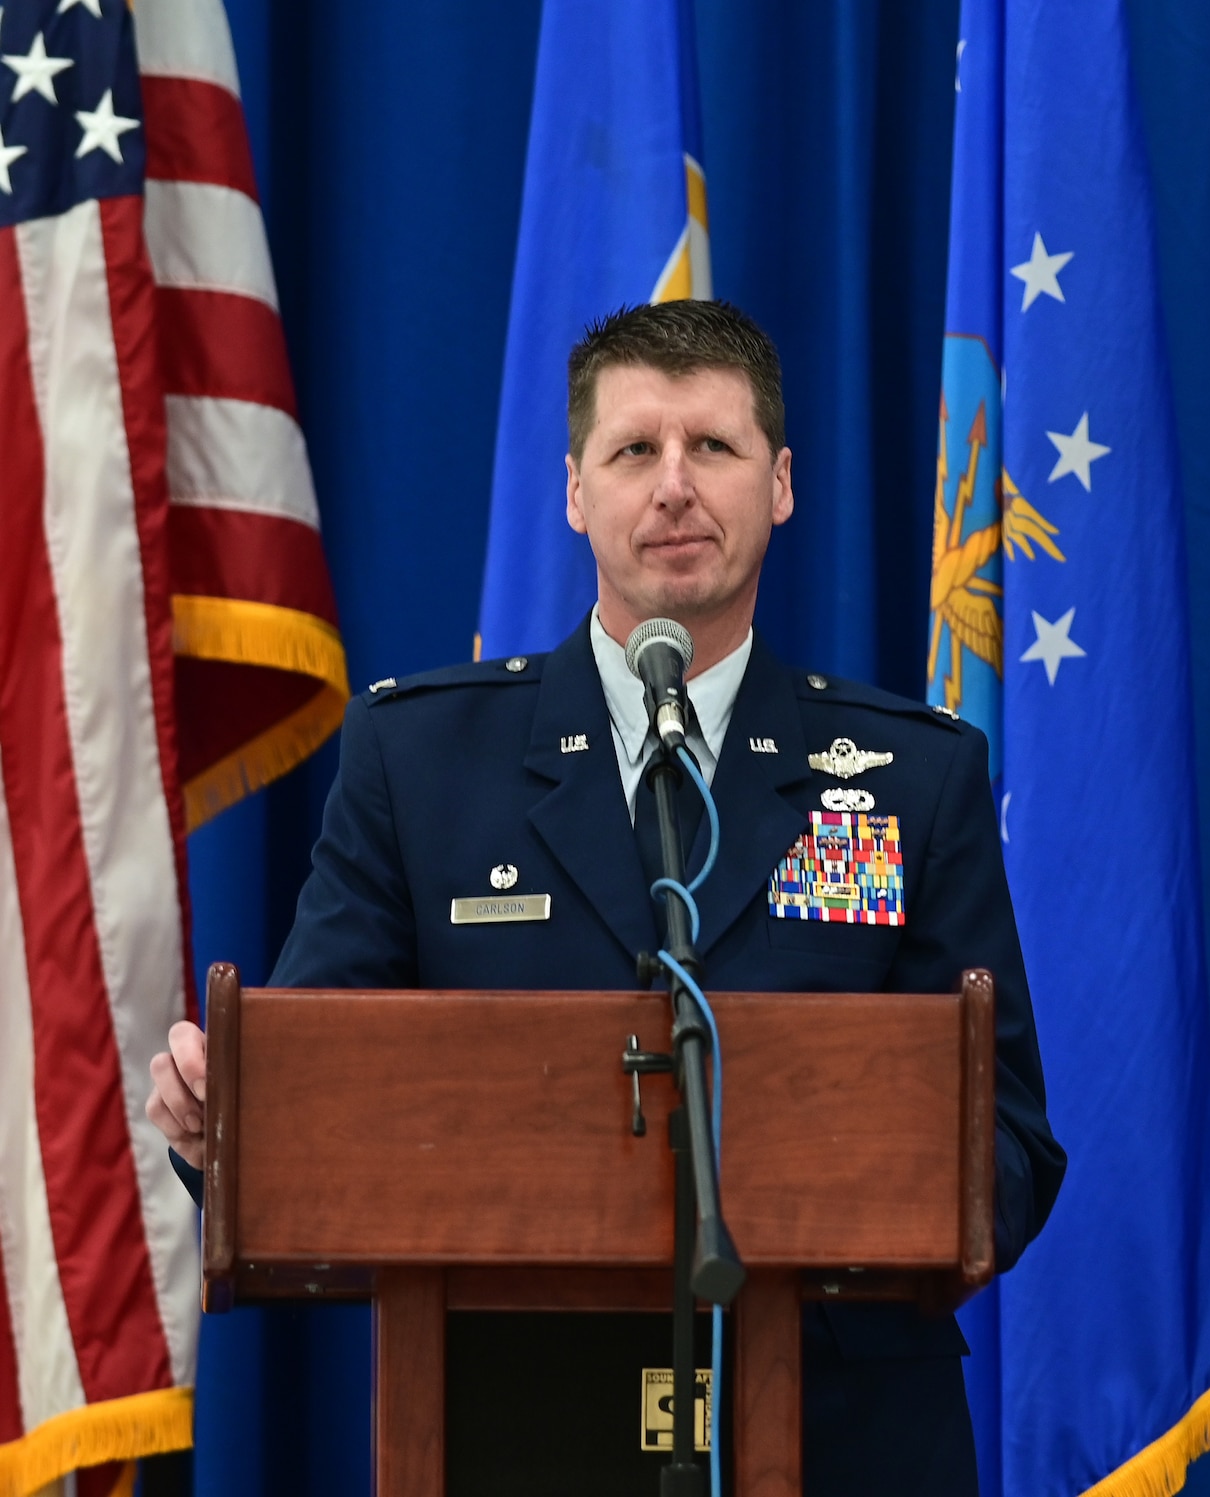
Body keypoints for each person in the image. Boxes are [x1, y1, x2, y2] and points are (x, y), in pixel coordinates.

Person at [145, 300, 1065, 1495]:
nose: (673, 487)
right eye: (634, 451)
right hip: (507, 1422)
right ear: (575, 492)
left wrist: (878, 1190)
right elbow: (315, 1097)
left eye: (713, 448)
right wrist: (227, 1129)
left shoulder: (916, 775)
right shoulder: (419, 763)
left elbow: (1009, 1139)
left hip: (843, 1432)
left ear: (780, 485)